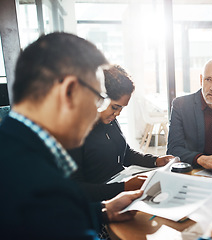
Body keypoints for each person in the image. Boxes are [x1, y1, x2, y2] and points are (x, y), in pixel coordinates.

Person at [0, 32, 143, 239]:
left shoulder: (15, 142)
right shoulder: (38, 176)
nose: (97, 110)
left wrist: (103, 210)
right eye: (97, 98)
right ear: (69, 91)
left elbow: (48, 218)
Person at [68, 65, 173, 202]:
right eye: (115, 107)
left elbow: (126, 154)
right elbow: (75, 190)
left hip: (119, 185)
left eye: (121, 108)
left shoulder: (108, 120)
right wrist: (124, 187)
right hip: (100, 204)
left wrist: (155, 161)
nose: (117, 114)